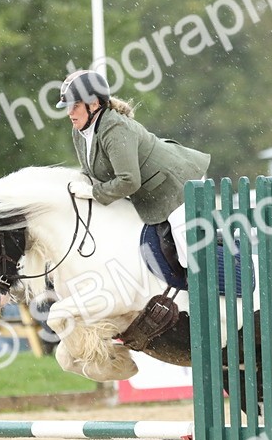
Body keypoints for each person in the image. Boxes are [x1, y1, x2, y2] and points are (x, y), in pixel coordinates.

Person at [57, 69, 209, 282]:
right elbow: (90, 172)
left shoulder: (115, 128)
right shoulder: (80, 131)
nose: (69, 113)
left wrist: (92, 192)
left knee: (188, 255)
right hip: (149, 192)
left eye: (75, 105)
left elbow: (129, 180)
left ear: (93, 104)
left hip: (179, 185)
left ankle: (216, 287)